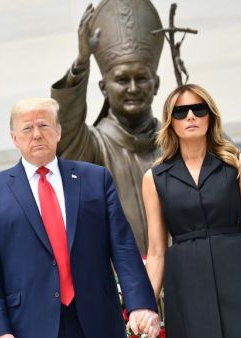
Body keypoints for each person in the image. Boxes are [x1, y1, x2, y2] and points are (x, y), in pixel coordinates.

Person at [0, 98, 160, 338]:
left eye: (44, 125)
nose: (37, 135)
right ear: (14, 138)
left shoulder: (96, 179)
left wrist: (140, 304)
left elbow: (122, 246)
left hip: (98, 317)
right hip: (29, 325)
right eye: (27, 128)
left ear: (59, 131)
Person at [142, 84, 241, 338]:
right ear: (170, 121)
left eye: (199, 109)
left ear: (210, 116)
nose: (190, 116)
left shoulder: (238, 163)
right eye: (180, 112)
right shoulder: (154, 178)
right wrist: (143, 307)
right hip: (186, 287)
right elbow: (155, 253)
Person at [51, 0, 165, 255]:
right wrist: (81, 62)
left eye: (142, 78)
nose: (133, 88)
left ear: (156, 83)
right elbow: (65, 129)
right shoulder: (93, 146)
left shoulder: (176, 142)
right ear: (104, 88)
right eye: (122, 79)